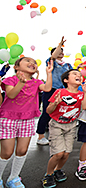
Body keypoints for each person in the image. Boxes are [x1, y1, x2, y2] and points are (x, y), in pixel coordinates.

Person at [0, 57, 53, 188]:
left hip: (27, 119)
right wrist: (21, 83)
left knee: (22, 150)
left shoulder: (36, 82)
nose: (32, 63)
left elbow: (47, 88)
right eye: (28, 61)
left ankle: (13, 178)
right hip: (8, 118)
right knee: (7, 152)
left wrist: (49, 72)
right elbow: (11, 95)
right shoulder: (10, 80)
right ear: (16, 67)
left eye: (35, 62)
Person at [42, 69, 86, 188]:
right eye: (75, 74)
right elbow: (48, 110)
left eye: (79, 74)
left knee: (66, 153)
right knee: (58, 153)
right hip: (57, 125)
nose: (78, 75)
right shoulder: (60, 92)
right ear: (66, 80)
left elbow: (85, 106)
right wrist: (55, 103)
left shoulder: (81, 93)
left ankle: (58, 170)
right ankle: (48, 174)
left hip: (72, 125)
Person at [36, 37, 78, 145]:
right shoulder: (51, 62)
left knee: (60, 112)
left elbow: (72, 75)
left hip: (63, 91)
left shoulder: (67, 65)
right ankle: (40, 136)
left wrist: (78, 68)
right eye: (59, 51)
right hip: (51, 89)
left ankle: (57, 134)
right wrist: (60, 45)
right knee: (47, 111)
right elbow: (53, 57)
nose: (61, 53)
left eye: (62, 52)